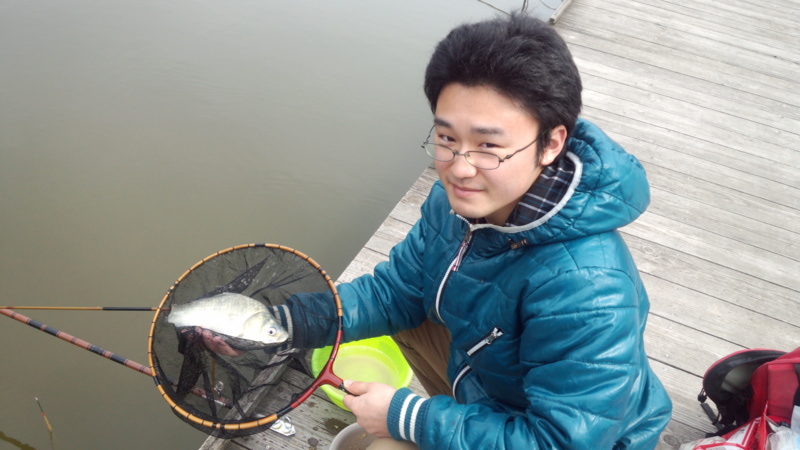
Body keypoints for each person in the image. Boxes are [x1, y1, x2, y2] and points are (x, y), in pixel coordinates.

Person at [284, 12, 672, 449]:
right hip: (493, 387)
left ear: (551, 143)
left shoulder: (588, 287)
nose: (460, 168)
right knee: (408, 315)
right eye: (447, 139)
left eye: (488, 146)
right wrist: (290, 323)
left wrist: (408, 418)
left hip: (580, 439)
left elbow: (561, 441)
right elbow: (396, 291)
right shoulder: (455, 204)